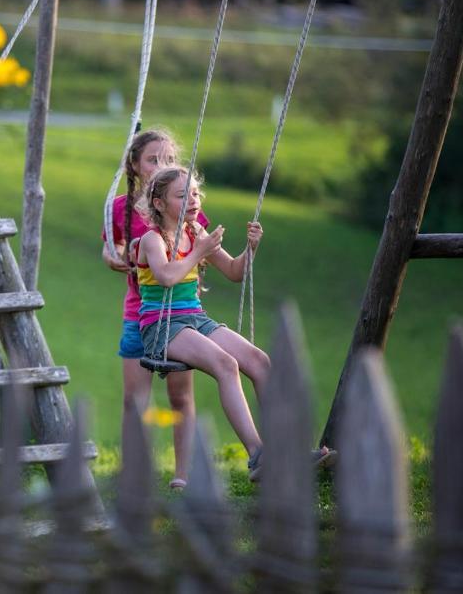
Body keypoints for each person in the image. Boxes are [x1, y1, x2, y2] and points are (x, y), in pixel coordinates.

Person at [135, 166, 332, 480]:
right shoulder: (152, 239)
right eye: (182, 195)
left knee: (259, 360)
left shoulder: (195, 233)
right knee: (226, 364)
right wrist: (198, 252)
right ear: (159, 204)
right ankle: (258, 455)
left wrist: (250, 249)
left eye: (195, 193)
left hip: (195, 318)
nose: (193, 200)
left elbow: (233, 272)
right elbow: (167, 276)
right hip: (161, 326)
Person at [102, 129, 207, 490]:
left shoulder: (184, 203)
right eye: (152, 159)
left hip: (179, 311)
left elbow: (201, 244)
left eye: (168, 159)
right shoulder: (121, 207)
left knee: (180, 395)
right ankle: (134, 471)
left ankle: (183, 474)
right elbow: (113, 245)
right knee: (135, 398)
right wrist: (112, 256)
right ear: (134, 165)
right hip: (139, 312)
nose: (161, 165)